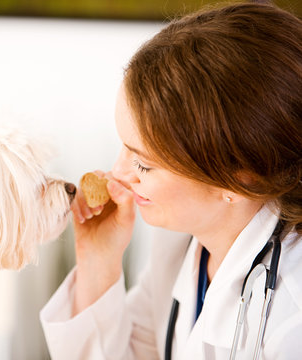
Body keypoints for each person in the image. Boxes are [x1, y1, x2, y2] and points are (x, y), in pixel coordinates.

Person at [40, 2, 302, 359]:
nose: (118, 173)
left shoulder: (292, 319)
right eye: (124, 148)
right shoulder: (181, 247)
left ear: (240, 179)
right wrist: (98, 260)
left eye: (143, 164)